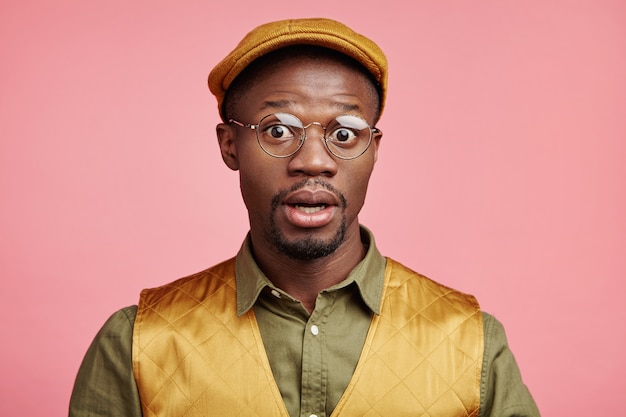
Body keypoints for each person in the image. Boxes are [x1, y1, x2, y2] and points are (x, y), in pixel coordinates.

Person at [69, 18, 540, 417]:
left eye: (345, 132)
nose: (314, 160)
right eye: (278, 130)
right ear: (229, 145)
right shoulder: (136, 343)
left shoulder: (471, 341)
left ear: (374, 150)